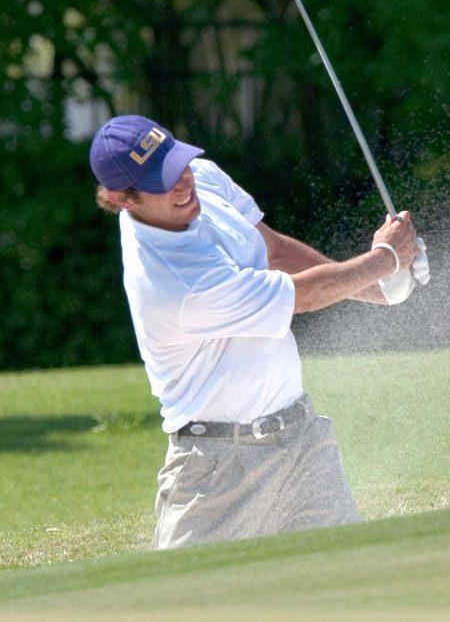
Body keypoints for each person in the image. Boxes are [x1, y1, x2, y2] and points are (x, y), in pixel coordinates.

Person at [89, 114, 423, 549]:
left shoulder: (201, 181)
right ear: (121, 198)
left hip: (303, 443)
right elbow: (297, 297)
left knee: (353, 584)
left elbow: (277, 252)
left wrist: (381, 289)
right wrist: (385, 259)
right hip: (218, 471)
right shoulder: (174, 282)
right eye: (162, 181)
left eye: (179, 165)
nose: (183, 184)